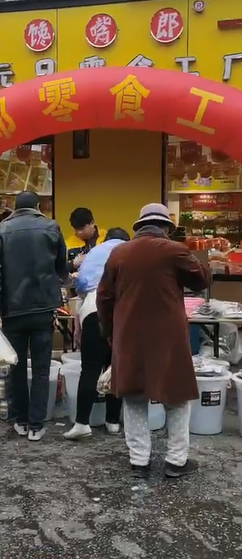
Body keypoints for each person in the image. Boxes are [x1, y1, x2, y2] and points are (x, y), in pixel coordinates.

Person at [97, 203, 210, 480]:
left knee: (134, 398)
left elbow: (104, 297)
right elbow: (201, 281)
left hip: (128, 335)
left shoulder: (118, 253)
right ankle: (176, 461)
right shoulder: (173, 250)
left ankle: (139, 463)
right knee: (177, 397)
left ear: (139, 227)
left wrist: (110, 332)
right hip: (168, 337)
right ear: (166, 228)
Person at [0, 191, 67, 442]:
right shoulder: (51, 227)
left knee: (16, 368)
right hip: (43, 308)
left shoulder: (0, 231)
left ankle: (20, 420)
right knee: (41, 368)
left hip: (12, 311)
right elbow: (60, 267)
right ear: (38, 206)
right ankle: (36, 425)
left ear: (13, 208)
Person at [64, 228, 130, 441]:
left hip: (93, 311)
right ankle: (112, 421)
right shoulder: (130, 250)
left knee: (90, 369)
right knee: (116, 367)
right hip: (122, 313)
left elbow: (81, 284)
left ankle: (82, 423)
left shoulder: (94, 252)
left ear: (107, 239)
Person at [66, 207, 106, 273]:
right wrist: (72, 264)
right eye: (76, 229)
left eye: (82, 229)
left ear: (92, 223)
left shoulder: (106, 238)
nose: (79, 232)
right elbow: (59, 269)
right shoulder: (68, 243)